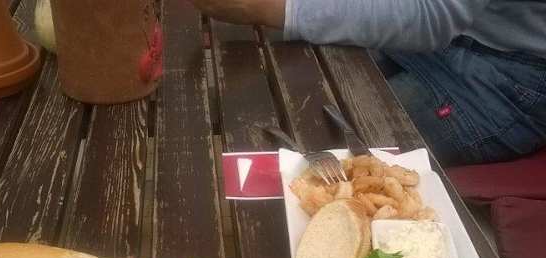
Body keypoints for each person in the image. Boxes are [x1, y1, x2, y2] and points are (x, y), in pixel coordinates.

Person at [189, 0, 546, 167]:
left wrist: (275, 9)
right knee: (262, 91)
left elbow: (431, 16)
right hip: (445, 38)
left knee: (312, 156)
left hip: (505, 79)